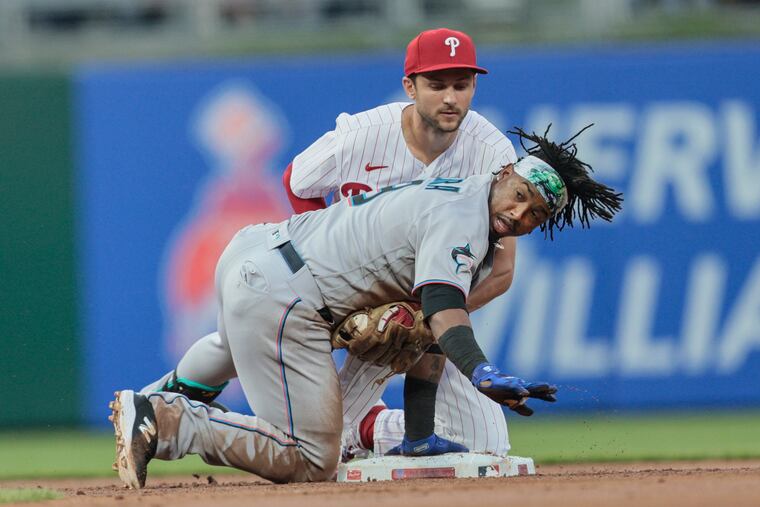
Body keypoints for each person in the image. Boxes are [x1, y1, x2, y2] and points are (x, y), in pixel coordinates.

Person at [110, 126, 623, 488]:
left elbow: (428, 328)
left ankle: (154, 398)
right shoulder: (464, 220)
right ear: (506, 172)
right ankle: (166, 419)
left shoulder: (462, 194)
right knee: (311, 459)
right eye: (519, 194)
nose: (518, 213)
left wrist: (420, 436)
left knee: (232, 343)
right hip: (286, 297)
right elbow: (445, 310)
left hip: (255, 252)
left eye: (534, 213)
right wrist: (483, 373)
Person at [142, 27, 521, 460]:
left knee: (487, 447)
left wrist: (423, 315)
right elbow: (298, 180)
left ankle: (367, 427)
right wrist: (325, 264)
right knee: (249, 354)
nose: (451, 97)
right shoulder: (365, 133)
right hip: (344, 288)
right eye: (437, 84)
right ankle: (159, 405)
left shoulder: (491, 154)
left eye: (462, 84)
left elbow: (502, 271)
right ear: (410, 87)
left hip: (430, 305)